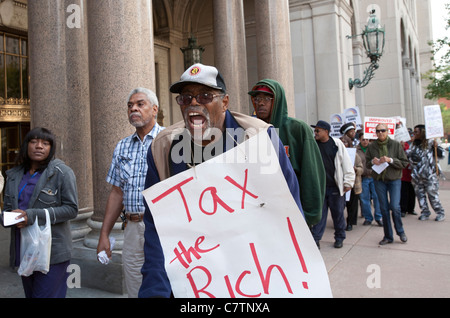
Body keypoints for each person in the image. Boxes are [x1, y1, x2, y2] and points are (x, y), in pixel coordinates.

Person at [139, 63, 302, 298]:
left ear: (224, 103)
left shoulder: (259, 139)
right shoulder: (163, 148)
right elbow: (158, 232)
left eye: (205, 96)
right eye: (185, 98)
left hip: (253, 279)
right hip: (194, 280)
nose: (194, 104)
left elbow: (289, 216)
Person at [97, 87, 163, 298]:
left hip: (162, 228)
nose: (134, 108)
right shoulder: (122, 146)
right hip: (133, 228)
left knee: (165, 283)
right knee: (134, 285)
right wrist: (104, 234)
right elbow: (117, 192)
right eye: (130, 105)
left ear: (154, 109)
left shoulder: (170, 140)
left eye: (140, 104)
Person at [1, 127, 78, 298]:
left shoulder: (62, 173)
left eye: (45, 143)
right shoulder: (13, 175)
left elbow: (71, 209)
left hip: (52, 250)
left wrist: (32, 216)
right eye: (34, 141)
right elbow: (6, 210)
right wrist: (9, 218)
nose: (39, 146)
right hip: (23, 247)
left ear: (51, 148)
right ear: (26, 145)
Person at [248, 79, 325, 226]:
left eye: (266, 98)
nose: (260, 103)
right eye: (257, 99)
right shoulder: (250, 131)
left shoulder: (298, 129)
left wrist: (309, 215)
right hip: (262, 214)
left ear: (277, 101)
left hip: (294, 212)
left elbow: (311, 174)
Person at [310, 120, 355, 249]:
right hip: (320, 188)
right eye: (315, 130)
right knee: (320, 215)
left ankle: (340, 237)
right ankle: (316, 239)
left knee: (338, 214)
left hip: (335, 187)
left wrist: (348, 182)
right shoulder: (313, 144)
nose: (315, 133)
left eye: (318, 130)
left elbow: (346, 164)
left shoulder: (337, 144)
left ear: (326, 132)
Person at [365, 123, 408, 245]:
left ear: (387, 131)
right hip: (379, 180)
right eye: (377, 131)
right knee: (383, 208)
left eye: (382, 130)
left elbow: (404, 163)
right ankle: (388, 236)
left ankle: (400, 232)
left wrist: (391, 160)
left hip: (394, 179)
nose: (380, 133)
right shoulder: (372, 146)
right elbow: (367, 163)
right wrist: (373, 162)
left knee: (395, 207)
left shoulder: (395, 144)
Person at [408, 124, 445, 221]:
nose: (414, 134)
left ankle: (440, 212)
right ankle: (425, 212)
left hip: (429, 175)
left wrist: (436, 148)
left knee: (432, 194)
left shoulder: (431, 143)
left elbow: (441, 155)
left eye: (416, 132)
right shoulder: (414, 144)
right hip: (417, 176)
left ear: (422, 132)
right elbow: (409, 156)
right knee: (420, 195)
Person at [356, 134, 382, 226]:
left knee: (377, 197)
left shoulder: (374, 148)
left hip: (374, 177)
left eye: (367, 139)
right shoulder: (356, 150)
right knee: (364, 199)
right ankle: (368, 218)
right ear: (359, 139)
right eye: (363, 139)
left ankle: (378, 217)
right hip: (363, 178)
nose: (365, 141)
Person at [400, 129, 416, 217]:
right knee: (404, 192)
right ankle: (403, 209)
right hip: (404, 172)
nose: (411, 136)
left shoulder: (415, 145)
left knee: (412, 192)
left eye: (412, 135)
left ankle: (411, 209)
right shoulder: (403, 144)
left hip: (413, 173)